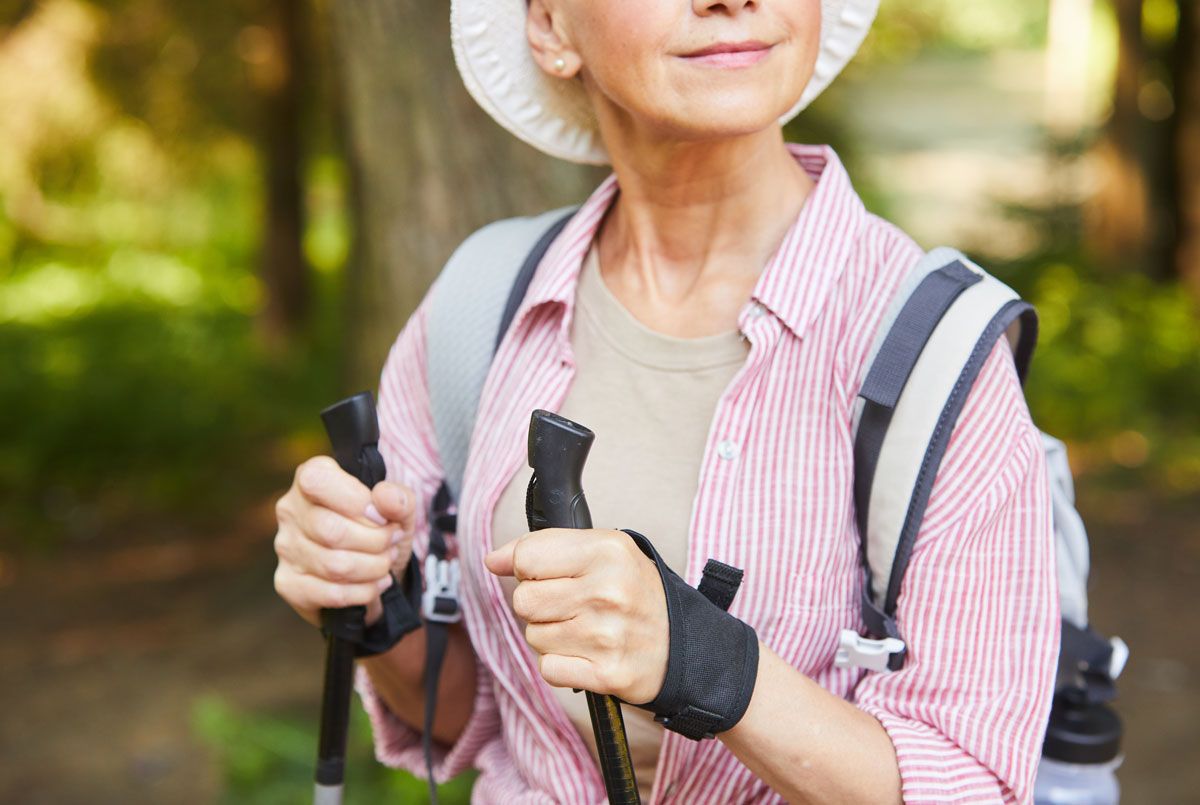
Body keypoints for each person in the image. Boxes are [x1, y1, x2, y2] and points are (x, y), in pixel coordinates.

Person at [273, 0, 1060, 801]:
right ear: (549, 27)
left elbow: (976, 783)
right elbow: (463, 717)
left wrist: (704, 663)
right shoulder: (481, 308)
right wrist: (370, 603)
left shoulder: (933, 352)